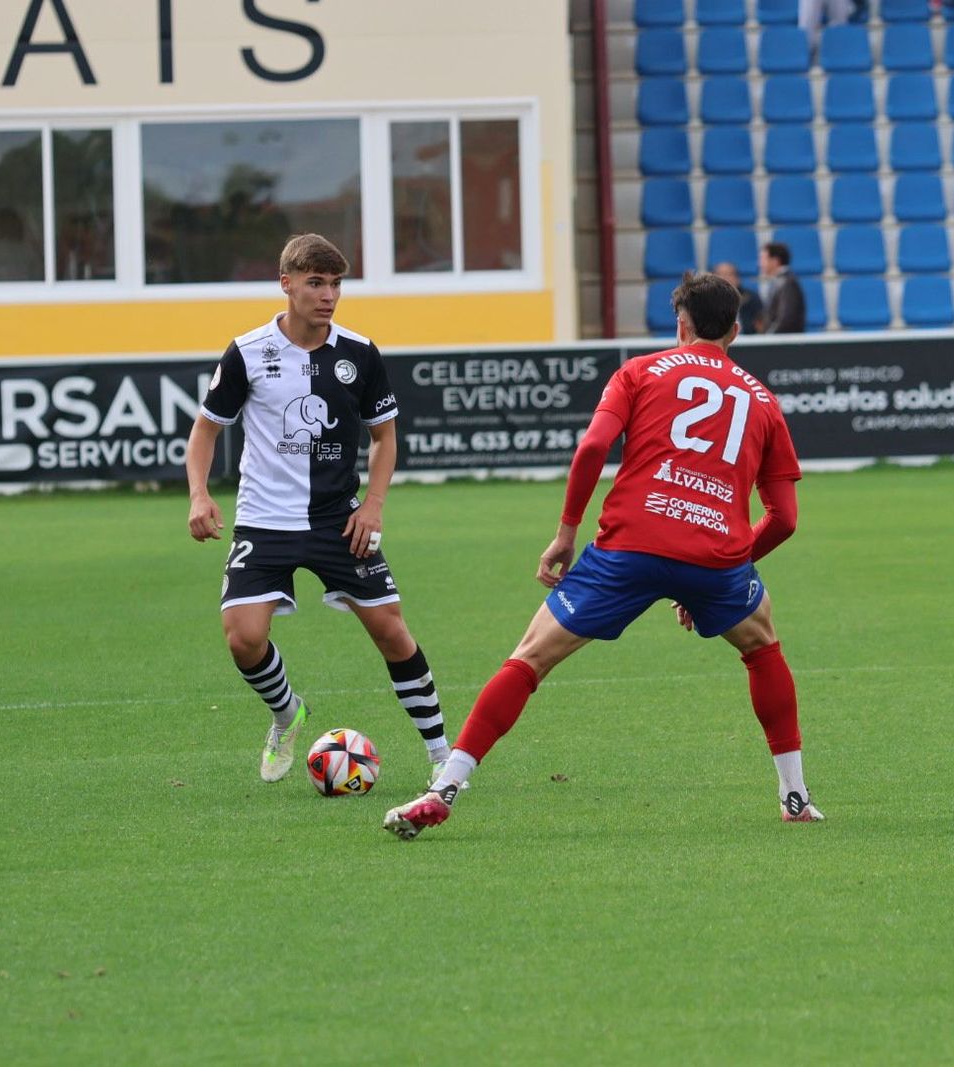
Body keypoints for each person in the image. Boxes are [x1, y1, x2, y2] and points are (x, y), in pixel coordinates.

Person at [384, 271, 821, 841]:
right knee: (763, 649)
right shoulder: (762, 402)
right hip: (717, 555)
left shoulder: (639, 372)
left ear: (681, 326)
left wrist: (566, 534)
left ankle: (445, 787)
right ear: (736, 331)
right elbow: (785, 518)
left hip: (629, 546)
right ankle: (795, 797)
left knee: (529, 659)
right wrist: (731, 562)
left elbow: (593, 446)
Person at [186, 233, 452, 784]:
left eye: (335, 284)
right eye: (315, 283)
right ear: (287, 284)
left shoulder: (359, 353)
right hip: (264, 518)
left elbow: (385, 437)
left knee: (391, 631)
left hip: (339, 519)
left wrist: (373, 505)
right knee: (243, 638)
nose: (327, 295)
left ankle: (443, 755)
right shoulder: (248, 351)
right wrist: (199, 493)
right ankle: (286, 712)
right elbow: (205, 431)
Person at [758, 243, 806, 335]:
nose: (760, 264)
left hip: (786, 343)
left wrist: (769, 337)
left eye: (763, 259)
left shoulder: (787, 282)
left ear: (775, 261)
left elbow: (786, 317)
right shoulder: (780, 281)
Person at [712, 261, 762, 336]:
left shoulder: (751, 298)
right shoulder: (708, 301)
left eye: (730, 274)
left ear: (737, 278)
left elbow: (760, 325)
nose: (726, 278)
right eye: (722, 275)